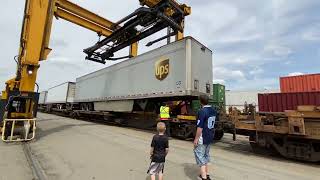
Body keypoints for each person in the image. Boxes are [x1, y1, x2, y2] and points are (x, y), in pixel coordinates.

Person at [193, 95, 216, 180]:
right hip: (210, 136)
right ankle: (207, 174)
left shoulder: (202, 111)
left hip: (203, 137)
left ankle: (204, 177)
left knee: (200, 156)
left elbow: (200, 127)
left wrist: (196, 139)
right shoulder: (213, 110)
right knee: (206, 155)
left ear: (200, 101)